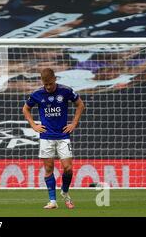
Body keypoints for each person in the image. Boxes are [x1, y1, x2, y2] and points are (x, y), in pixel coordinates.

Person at [22, 68, 85, 209]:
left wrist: (74, 123)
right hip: (46, 136)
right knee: (49, 168)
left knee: (68, 169)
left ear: (55, 79)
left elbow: (80, 104)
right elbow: (25, 108)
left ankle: (65, 191)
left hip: (63, 135)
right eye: (46, 84)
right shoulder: (37, 94)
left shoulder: (66, 91)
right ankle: (52, 201)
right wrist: (33, 125)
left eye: (50, 83)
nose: (48, 87)